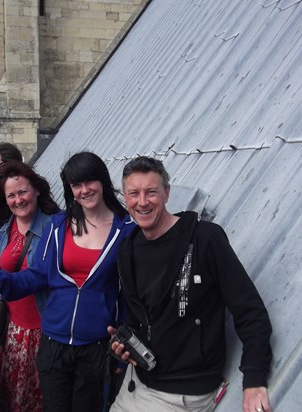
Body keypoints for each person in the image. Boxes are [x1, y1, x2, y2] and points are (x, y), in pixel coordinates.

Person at [0, 152, 136, 412]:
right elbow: (36, 276)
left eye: (89, 181)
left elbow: (129, 293)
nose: (84, 190)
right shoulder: (59, 226)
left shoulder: (126, 231)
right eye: (76, 185)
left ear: (102, 180)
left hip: (96, 346)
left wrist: (122, 342)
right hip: (54, 343)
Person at [108, 156, 273, 412]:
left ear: (166, 192)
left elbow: (249, 310)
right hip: (135, 382)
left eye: (151, 192)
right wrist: (126, 346)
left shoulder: (205, 239)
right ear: (125, 197)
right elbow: (139, 319)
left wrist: (254, 378)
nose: (142, 202)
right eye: (133, 193)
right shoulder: (128, 249)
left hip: (180, 396)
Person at [0, 160, 60, 412]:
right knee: (13, 400)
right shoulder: (3, 226)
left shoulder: (54, 228)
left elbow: (36, 278)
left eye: (23, 192)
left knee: (41, 401)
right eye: (11, 195)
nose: (18, 200)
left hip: (43, 331)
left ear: (37, 190)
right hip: (13, 331)